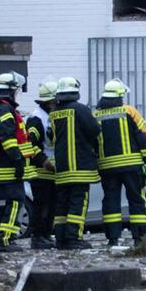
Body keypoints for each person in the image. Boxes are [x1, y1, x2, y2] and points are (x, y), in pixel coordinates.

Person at [0, 71, 35, 253]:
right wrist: (18, 160)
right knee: (15, 201)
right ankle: (6, 239)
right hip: (7, 166)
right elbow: (8, 137)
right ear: (11, 91)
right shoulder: (4, 108)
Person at [94, 78, 146, 247]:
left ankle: (113, 239)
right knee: (136, 200)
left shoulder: (96, 115)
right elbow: (143, 136)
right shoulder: (129, 111)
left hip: (107, 168)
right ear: (120, 96)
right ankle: (139, 238)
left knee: (111, 201)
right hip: (131, 166)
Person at [49, 77, 100, 250]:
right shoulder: (80, 110)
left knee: (62, 204)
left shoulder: (54, 114)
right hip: (80, 168)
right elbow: (94, 130)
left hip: (62, 169)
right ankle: (74, 238)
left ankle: (61, 239)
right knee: (78, 203)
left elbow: (52, 138)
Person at [25, 80, 59, 250]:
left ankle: (46, 235)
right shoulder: (36, 118)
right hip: (40, 170)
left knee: (51, 205)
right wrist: (44, 161)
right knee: (41, 205)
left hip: (52, 171)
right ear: (50, 101)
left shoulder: (50, 115)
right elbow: (31, 144)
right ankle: (37, 237)